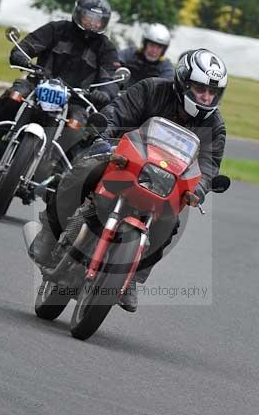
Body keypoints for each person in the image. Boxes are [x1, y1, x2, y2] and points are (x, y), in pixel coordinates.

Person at [29, 48, 228, 313]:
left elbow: (209, 164)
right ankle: (49, 234)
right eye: (200, 89)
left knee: (170, 223)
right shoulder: (152, 90)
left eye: (212, 92)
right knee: (81, 172)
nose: (206, 96)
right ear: (183, 81)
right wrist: (104, 135)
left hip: (166, 182)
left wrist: (199, 190)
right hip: (125, 161)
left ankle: (133, 277)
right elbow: (118, 112)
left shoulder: (214, 125)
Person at [0, 0, 120, 165]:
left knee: (78, 124)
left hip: (76, 99)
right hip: (38, 84)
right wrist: (21, 56)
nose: (92, 23)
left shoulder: (106, 48)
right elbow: (26, 46)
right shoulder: (57, 29)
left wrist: (104, 93)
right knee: (15, 94)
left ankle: (59, 167)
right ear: (78, 14)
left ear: (104, 23)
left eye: (98, 20)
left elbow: (111, 78)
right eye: (89, 17)